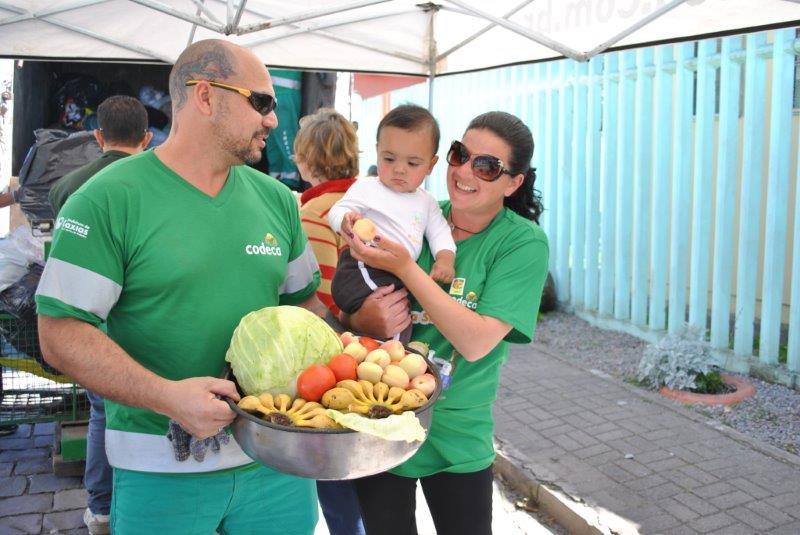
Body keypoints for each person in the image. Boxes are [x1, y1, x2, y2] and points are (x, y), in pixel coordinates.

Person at [35, 39, 325, 534]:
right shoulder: (106, 200)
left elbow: (307, 310)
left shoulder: (278, 201)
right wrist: (168, 397)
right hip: (160, 470)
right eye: (262, 102)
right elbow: (59, 334)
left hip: (278, 464)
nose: (273, 121)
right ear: (207, 96)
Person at [342, 111, 549, 535]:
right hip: (380, 422)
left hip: (457, 434)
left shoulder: (521, 242)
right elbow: (349, 309)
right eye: (460, 154)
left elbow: (474, 342)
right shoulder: (414, 213)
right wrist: (361, 316)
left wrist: (407, 267)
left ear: (513, 183)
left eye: (487, 166)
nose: (465, 171)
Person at [47, 94, 152, 535]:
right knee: (143, 417)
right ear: (147, 139)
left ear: (97, 136)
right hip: (140, 331)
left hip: (89, 327)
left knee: (99, 414)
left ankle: (102, 509)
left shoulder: (67, 188)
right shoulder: (154, 184)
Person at [328, 104, 456, 343]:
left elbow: (440, 232)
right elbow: (339, 209)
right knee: (394, 325)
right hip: (363, 266)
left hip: (396, 275)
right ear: (377, 152)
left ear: (431, 164)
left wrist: (445, 259)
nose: (399, 169)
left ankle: (379, 361)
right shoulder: (368, 186)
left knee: (400, 323)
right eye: (389, 158)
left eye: (413, 163)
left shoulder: (427, 202)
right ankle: (390, 361)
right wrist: (345, 221)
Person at [294, 109, 366, 535]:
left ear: (307, 158)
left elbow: (307, 296)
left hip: (330, 358)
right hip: (376, 352)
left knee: (334, 468)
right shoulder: (367, 204)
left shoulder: (308, 214)